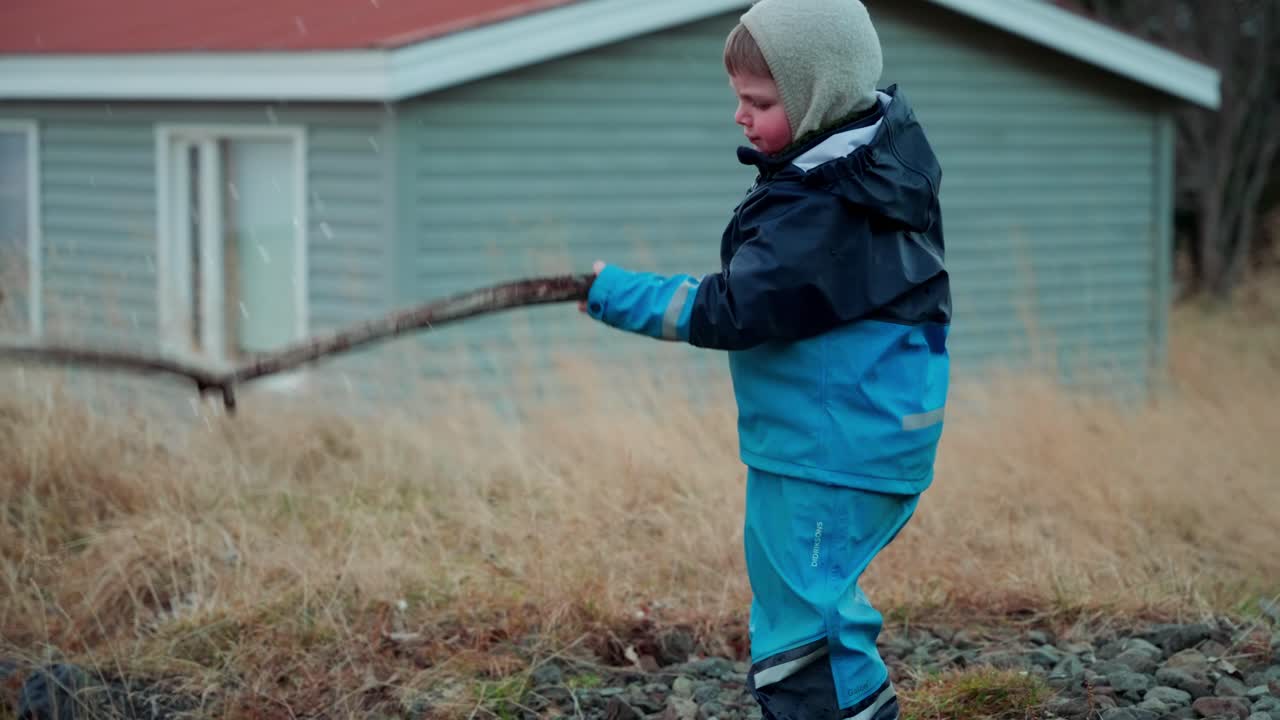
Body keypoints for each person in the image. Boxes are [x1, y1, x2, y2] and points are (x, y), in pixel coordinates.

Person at [580, 1, 951, 718]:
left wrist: (615, 294)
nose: (741, 117)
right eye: (739, 100)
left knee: (806, 633)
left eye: (760, 101)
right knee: (805, 614)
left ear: (817, 93)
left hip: (830, 449)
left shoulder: (829, 204)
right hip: (838, 439)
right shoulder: (866, 168)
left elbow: (733, 309)